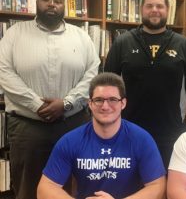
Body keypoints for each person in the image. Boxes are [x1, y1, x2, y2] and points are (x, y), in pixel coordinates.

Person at [0, 0, 100, 199]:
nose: (52, 4)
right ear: (37, 2)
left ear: (64, 6)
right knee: (28, 187)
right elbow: (4, 73)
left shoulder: (81, 37)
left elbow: (92, 73)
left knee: (77, 183)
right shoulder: (14, 34)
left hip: (73, 124)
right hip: (28, 127)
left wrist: (66, 103)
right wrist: (38, 105)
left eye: (57, 1)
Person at [104, 0, 186, 167]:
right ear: (141, 10)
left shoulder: (184, 44)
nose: (154, 10)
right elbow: (109, 83)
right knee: (130, 183)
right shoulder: (123, 42)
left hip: (170, 131)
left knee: (166, 184)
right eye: (149, 6)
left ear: (167, 11)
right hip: (128, 129)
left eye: (159, 6)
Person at [37, 72, 166, 199]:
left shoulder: (141, 139)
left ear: (123, 103)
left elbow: (157, 186)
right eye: (99, 100)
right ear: (90, 104)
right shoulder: (70, 141)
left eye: (113, 100)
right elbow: (45, 189)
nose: (105, 106)